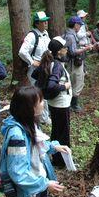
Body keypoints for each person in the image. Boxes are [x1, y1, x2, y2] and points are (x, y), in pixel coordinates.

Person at [0, 86, 70, 197]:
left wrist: (54, 147)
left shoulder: (28, 123)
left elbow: (37, 145)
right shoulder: (17, 135)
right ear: (29, 107)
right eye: (40, 101)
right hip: (29, 191)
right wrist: (45, 184)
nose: (43, 102)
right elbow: (18, 173)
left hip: (38, 186)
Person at [32, 37, 72, 167]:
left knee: (56, 130)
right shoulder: (57, 65)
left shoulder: (49, 61)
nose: (67, 50)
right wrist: (64, 86)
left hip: (54, 103)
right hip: (61, 104)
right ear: (59, 51)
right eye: (65, 48)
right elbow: (51, 86)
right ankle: (62, 161)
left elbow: (34, 75)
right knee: (63, 133)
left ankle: (57, 158)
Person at [64, 16, 93, 112]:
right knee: (77, 82)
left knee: (74, 82)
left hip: (71, 63)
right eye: (79, 25)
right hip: (74, 64)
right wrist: (86, 48)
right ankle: (74, 105)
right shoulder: (71, 36)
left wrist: (82, 46)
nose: (80, 27)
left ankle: (71, 104)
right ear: (75, 25)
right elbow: (72, 52)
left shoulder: (69, 33)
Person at [19, 11, 52, 86]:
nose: (46, 23)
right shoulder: (31, 36)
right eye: (43, 21)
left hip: (46, 67)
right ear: (37, 23)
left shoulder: (45, 33)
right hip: (36, 70)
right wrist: (32, 62)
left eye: (46, 21)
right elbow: (22, 52)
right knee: (37, 90)